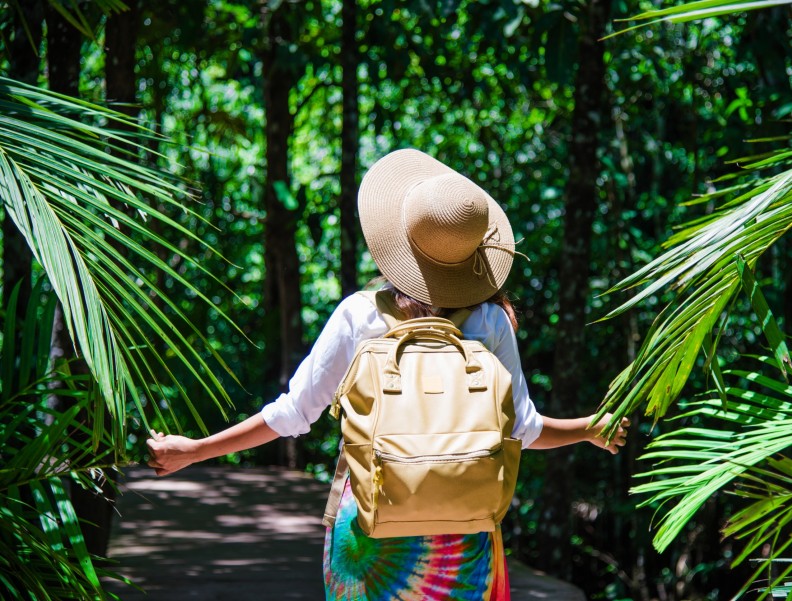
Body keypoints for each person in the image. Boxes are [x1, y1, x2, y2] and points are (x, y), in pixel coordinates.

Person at [147, 148, 630, 600]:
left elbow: (293, 413)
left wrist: (196, 450)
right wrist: (588, 429)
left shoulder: (360, 315)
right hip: (462, 537)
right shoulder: (490, 321)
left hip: (372, 531)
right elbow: (522, 430)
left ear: (400, 242)